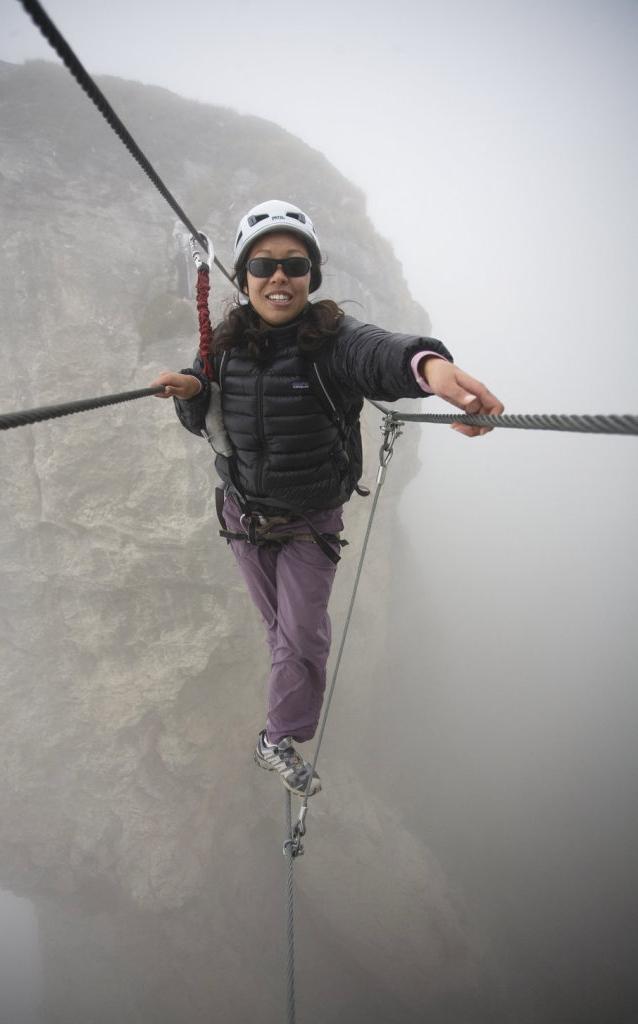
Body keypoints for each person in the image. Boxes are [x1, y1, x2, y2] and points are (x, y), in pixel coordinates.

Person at [151, 199, 504, 798]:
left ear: (313, 275)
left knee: (303, 636)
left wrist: (433, 371)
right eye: (263, 266)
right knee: (282, 634)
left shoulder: (331, 341)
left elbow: (381, 354)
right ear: (245, 276)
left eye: (295, 264)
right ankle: (282, 726)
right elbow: (207, 420)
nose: (279, 277)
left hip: (309, 524)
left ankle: (276, 739)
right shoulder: (226, 347)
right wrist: (192, 391)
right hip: (244, 517)